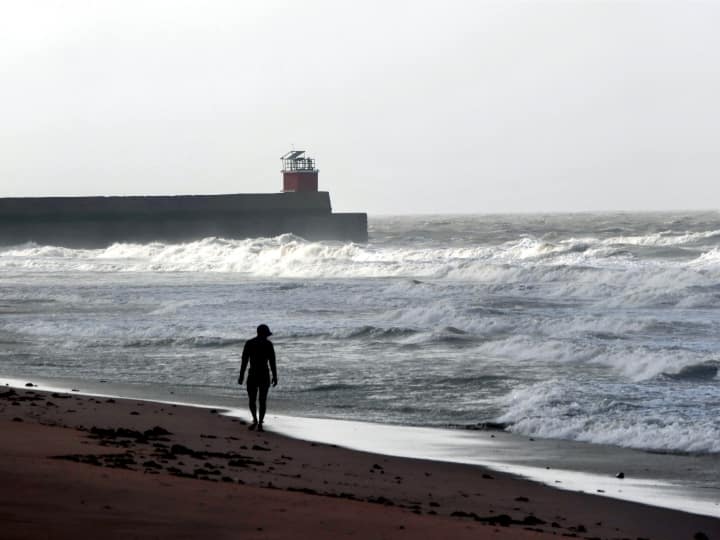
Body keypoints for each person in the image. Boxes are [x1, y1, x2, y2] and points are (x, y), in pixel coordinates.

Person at [238, 324, 277, 432]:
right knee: (262, 400)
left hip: (253, 374)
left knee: (252, 400)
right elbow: (272, 362)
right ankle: (260, 423)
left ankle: (255, 420)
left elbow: (244, 361)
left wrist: (241, 375)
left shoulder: (249, 343)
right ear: (264, 334)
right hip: (264, 374)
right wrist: (275, 376)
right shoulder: (268, 344)